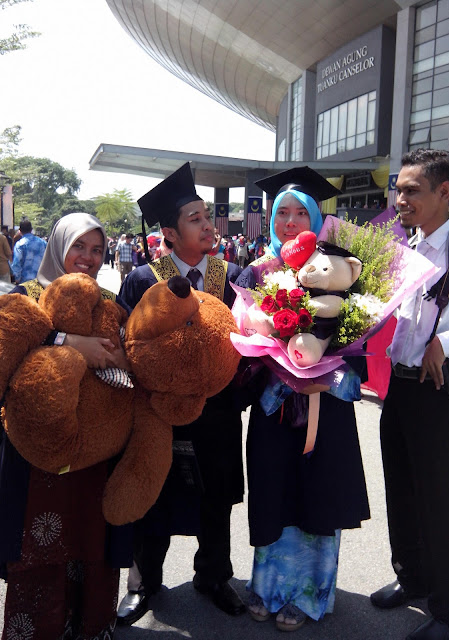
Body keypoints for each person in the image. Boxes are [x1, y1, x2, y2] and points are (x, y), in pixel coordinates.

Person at [235, 166, 370, 632]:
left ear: (316, 218)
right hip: (274, 408)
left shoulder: (341, 270)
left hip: (324, 407)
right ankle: (268, 586)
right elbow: (244, 342)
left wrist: (324, 379)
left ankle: (311, 594)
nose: (290, 222)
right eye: (281, 213)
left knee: (318, 495)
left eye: (300, 213)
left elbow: (360, 347)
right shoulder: (257, 272)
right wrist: (282, 373)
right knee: (275, 490)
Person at [116, 162, 245, 625]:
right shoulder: (143, 279)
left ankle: (214, 576)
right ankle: (143, 582)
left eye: (207, 215)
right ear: (169, 233)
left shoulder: (233, 276)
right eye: (195, 218)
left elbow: (248, 344)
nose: (208, 224)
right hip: (159, 413)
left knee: (216, 495)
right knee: (154, 494)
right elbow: (127, 344)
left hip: (218, 410)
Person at [0, 212, 133, 639]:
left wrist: (120, 357)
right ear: (58, 245)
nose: (88, 258)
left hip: (96, 455)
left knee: (93, 544)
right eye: (78, 246)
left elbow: (132, 354)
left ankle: (92, 628)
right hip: (37, 460)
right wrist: (70, 343)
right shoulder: (27, 294)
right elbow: (10, 341)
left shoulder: (110, 300)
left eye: (97, 249)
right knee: (39, 549)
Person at [370, 150, 449, 640]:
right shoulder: (408, 243)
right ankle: (411, 576)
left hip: (438, 390)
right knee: (400, 490)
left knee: (437, 501)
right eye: (399, 189)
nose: (401, 199)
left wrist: (447, 342)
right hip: (399, 385)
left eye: (412, 190)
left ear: (445, 192)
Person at [10, 219, 47, 284]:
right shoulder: (43, 243)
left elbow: (16, 263)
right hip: (41, 280)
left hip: (25, 282)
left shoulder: (20, 244)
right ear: (31, 229)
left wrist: (17, 278)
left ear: (20, 231)